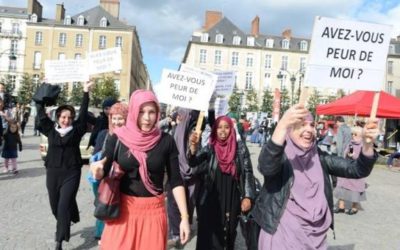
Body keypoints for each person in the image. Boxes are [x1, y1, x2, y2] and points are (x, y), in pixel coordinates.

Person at [253, 104, 378, 250]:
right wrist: (281, 126)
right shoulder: (280, 157)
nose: (309, 130)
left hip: (316, 240)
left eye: (312, 125)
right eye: (301, 125)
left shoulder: (319, 157)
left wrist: (367, 145)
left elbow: (357, 170)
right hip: (282, 237)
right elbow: (266, 166)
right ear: (289, 129)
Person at [90, 90, 190, 250]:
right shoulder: (118, 137)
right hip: (121, 212)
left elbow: (176, 181)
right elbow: (104, 167)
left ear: (158, 114)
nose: (147, 117)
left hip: (153, 213)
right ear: (133, 112)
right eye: (141, 111)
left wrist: (184, 218)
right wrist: (98, 170)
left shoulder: (166, 141)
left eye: (152, 112)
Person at [35, 81, 94, 250]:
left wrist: (85, 93)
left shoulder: (77, 130)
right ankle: (69, 215)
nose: (66, 120)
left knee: (62, 206)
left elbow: (83, 114)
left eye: (69, 117)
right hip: (53, 172)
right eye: (63, 117)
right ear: (58, 118)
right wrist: (43, 87)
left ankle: (59, 240)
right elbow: (40, 111)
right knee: (55, 206)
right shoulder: (50, 130)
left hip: (71, 172)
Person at [188, 115, 256, 250]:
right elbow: (193, 163)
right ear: (214, 130)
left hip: (232, 197)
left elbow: (248, 172)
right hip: (211, 198)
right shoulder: (210, 147)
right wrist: (193, 148)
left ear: (231, 129)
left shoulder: (240, 148)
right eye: (219, 127)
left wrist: (248, 196)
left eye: (226, 127)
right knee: (209, 235)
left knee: (229, 233)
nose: (223, 131)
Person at [87, 102, 128, 244]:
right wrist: (99, 169)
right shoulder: (109, 136)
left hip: (129, 188)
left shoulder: (132, 138)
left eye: (120, 118)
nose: (116, 122)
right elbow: (105, 158)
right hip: (113, 186)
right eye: (114, 118)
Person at [333, 126, 367, 215]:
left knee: (355, 189)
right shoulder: (350, 143)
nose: (353, 136)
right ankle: (341, 206)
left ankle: (354, 208)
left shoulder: (363, 145)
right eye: (352, 134)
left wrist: (354, 155)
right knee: (341, 186)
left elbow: (363, 159)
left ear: (361, 136)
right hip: (347, 168)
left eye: (355, 134)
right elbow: (345, 154)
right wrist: (347, 153)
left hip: (356, 170)